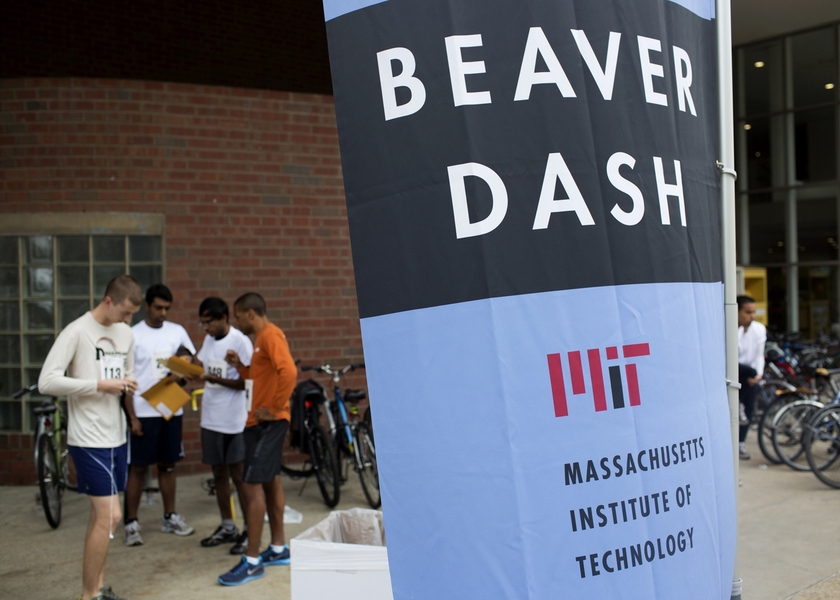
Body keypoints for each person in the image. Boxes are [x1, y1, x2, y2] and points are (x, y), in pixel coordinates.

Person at [38, 275, 143, 600]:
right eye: (125, 312)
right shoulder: (77, 331)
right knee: (111, 516)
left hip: (116, 433)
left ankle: (96, 587)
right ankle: (88, 595)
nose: (129, 321)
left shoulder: (125, 333)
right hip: (88, 438)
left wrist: (128, 382)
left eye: (132, 315)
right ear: (108, 300)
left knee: (101, 517)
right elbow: (47, 382)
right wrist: (98, 385)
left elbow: (127, 371)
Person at [217, 292, 296, 586]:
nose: (237, 321)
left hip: (268, 422)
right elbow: (260, 377)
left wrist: (274, 408)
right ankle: (277, 548)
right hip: (260, 422)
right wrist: (240, 365)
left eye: (238, 315)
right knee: (269, 480)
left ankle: (251, 562)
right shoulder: (259, 340)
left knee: (250, 486)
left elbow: (289, 372)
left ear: (251, 313)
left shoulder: (271, 335)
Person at [123, 284, 196, 546]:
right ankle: (131, 523)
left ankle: (169, 516)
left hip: (170, 409)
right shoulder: (132, 335)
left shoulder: (177, 332)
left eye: (167, 308)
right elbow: (126, 379)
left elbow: (191, 358)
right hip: (143, 411)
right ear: (147, 306)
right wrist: (131, 416)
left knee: (168, 465)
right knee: (138, 469)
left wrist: (182, 366)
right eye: (158, 308)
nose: (163, 312)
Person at [193, 297, 254, 553]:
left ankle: (250, 531)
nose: (205, 327)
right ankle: (228, 526)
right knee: (218, 474)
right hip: (211, 417)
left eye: (209, 322)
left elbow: (248, 383)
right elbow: (200, 365)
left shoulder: (240, 341)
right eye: (202, 322)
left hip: (233, 420)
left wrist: (215, 380)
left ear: (223, 319)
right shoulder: (208, 340)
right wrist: (186, 368)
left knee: (239, 477)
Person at [738, 294, 766, 460]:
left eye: (754, 312)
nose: (752, 316)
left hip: (751, 374)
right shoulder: (730, 328)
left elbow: (759, 355)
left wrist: (758, 374)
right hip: (737, 372)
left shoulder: (759, 329)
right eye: (748, 312)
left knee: (748, 409)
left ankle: (741, 442)